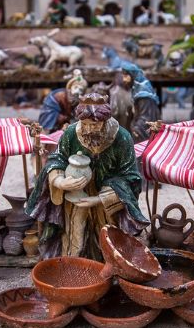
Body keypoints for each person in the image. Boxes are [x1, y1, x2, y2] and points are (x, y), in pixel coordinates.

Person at [25, 93, 147, 259]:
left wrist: (100, 199)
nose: (89, 129)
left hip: (107, 199)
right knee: (75, 233)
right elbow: (56, 159)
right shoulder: (70, 133)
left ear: (105, 121)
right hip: (75, 193)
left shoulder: (121, 137)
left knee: (107, 238)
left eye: (95, 125)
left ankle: (110, 267)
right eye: (85, 124)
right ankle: (73, 265)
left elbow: (131, 177)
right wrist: (59, 181)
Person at [119, 62, 160, 141]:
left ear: (133, 76)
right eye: (123, 76)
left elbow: (146, 116)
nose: (124, 79)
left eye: (126, 76)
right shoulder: (136, 89)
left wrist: (137, 129)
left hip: (142, 132)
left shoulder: (144, 94)